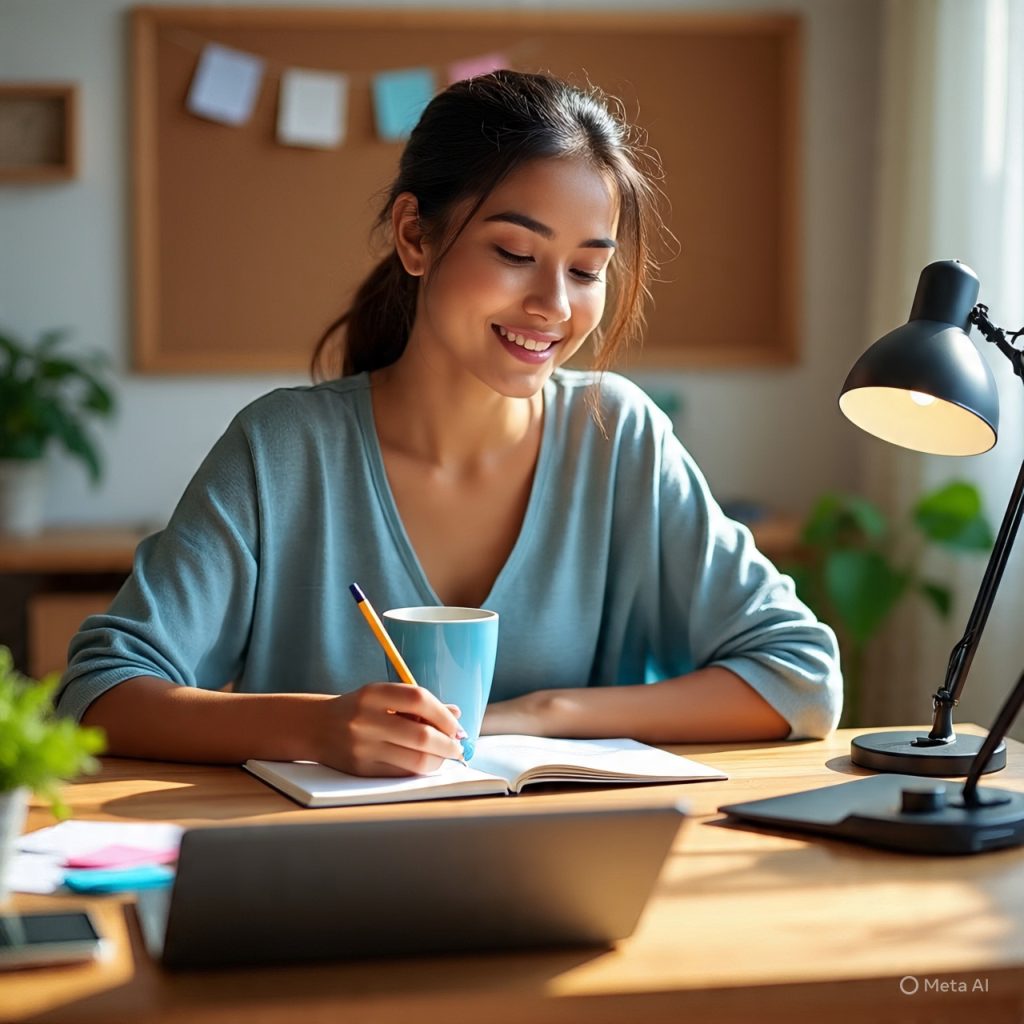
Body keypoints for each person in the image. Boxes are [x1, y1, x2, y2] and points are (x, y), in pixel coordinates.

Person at [57, 70, 841, 777]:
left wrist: (545, 714)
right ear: (414, 235)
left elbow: (800, 676)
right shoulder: (281, 451)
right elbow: (99, 690)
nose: (555, 308)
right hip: (317, 882)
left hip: (562, 875)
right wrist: (318, 726)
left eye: (585, 269)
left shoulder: (619, 438)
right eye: (513, 251)